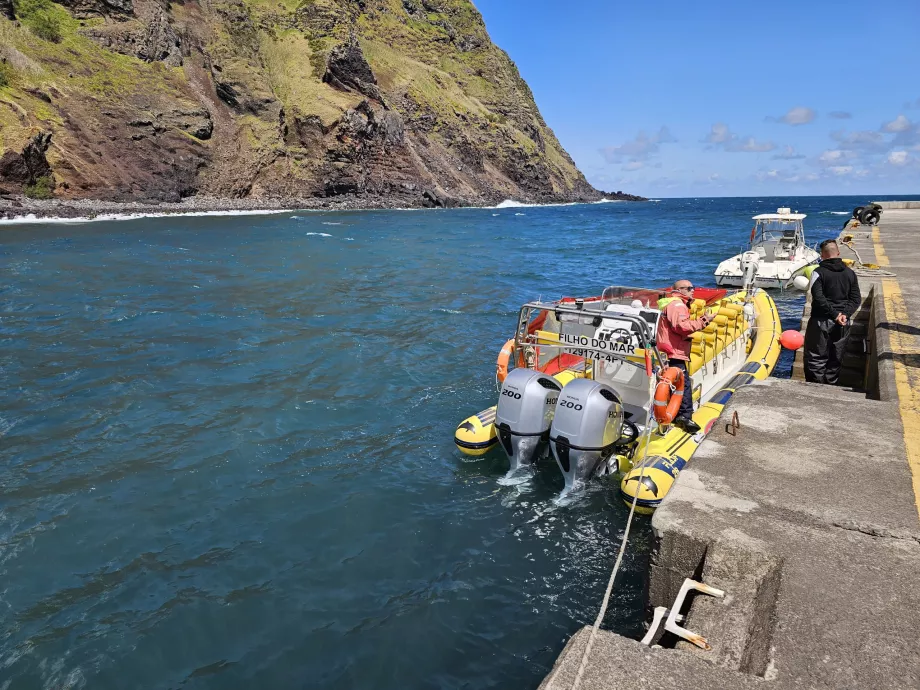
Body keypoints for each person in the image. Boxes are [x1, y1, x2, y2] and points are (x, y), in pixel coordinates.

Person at [656, 281, 714, 433]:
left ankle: (673, 414)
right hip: (675, 350)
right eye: (689, 288)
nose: (692, 291)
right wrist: (705, 320)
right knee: (683, 383)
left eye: (692, 287)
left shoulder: (671, 303)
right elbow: (681, 327)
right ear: (678, 290)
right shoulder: (678, 305)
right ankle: (684, 417)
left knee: (674, 384)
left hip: (670, 349)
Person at [804, 239, 861, 384]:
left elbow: (818, 297)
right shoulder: (850, 273)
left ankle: (815, 388)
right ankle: (831, 387)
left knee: (816, 358)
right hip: (842, 323)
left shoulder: (818, 273)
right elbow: (855, 299)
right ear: (838, 253)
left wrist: (834, 314)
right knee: (836, 358)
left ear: (822, 255)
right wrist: (844, 315)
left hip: (821, 321)